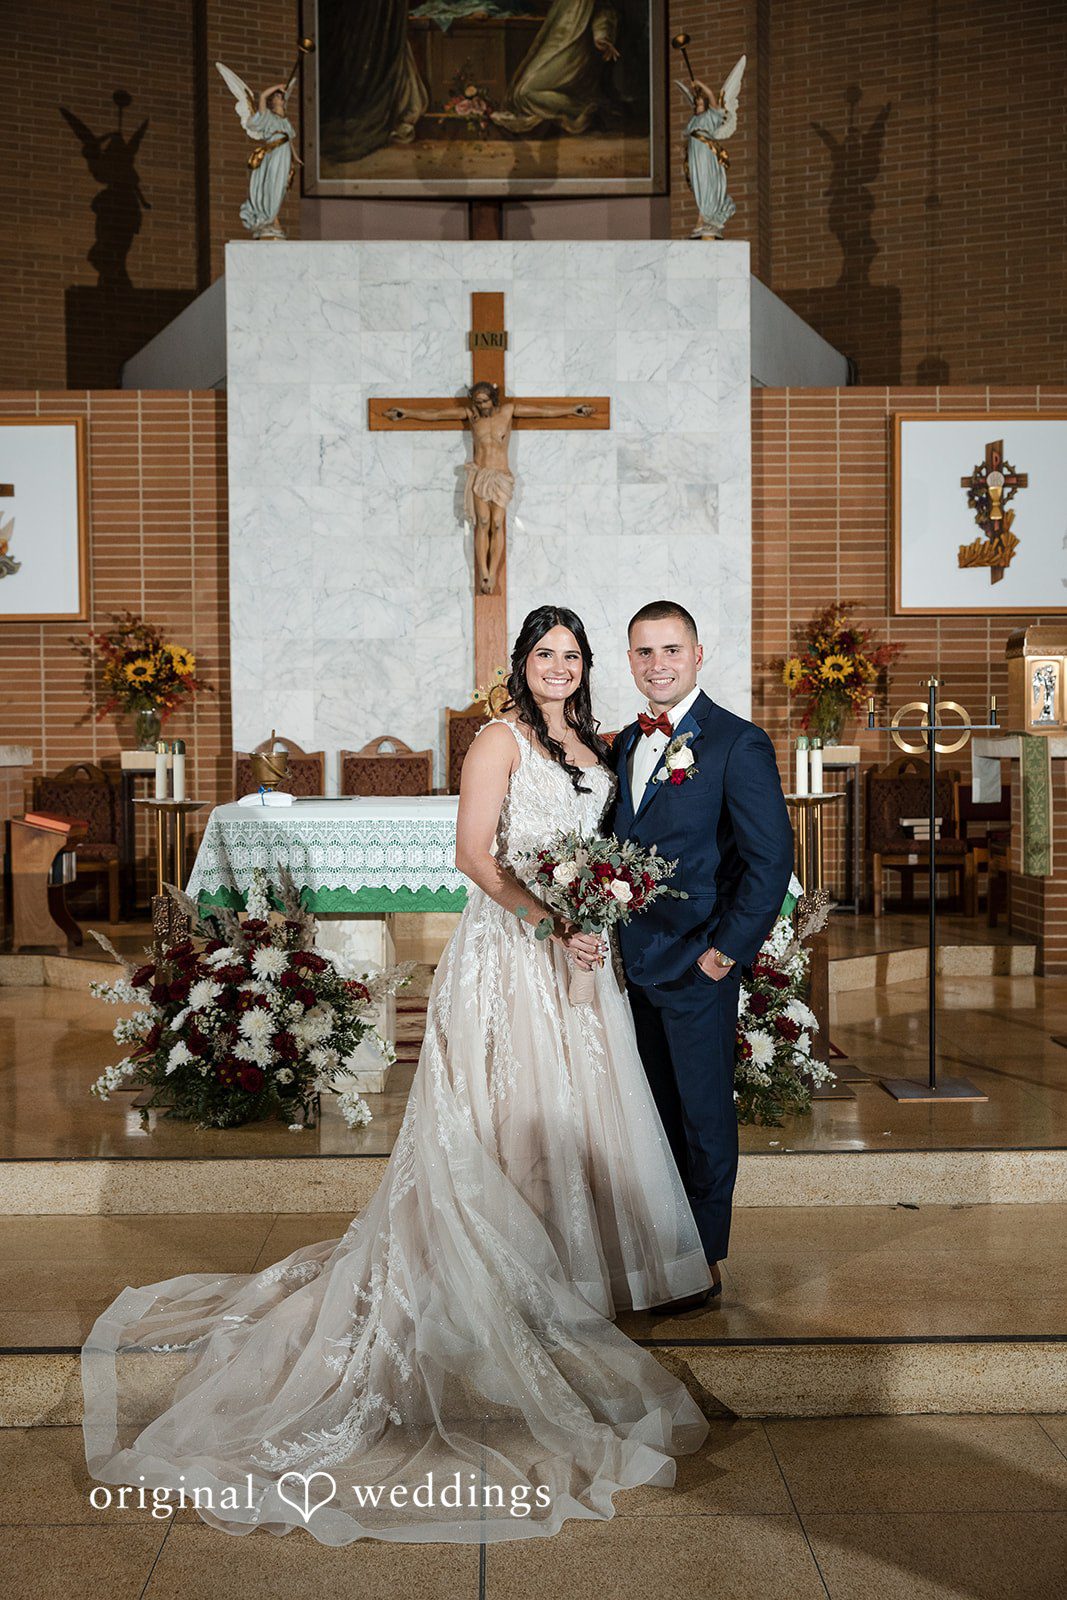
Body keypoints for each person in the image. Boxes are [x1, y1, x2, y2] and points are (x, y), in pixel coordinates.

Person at [81, 605, 711, 1545]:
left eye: (572, 656)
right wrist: (548, 918)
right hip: (510, 951)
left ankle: (569, 1273)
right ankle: (497, 1274)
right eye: (546, 655)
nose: (560, 668)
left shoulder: (598, 742)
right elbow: (471, 855)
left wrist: (596, 912)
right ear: (521, 663)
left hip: (581, 960)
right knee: (505, 1111)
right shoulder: (497, 740)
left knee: (577, 1108)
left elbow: (605, 852)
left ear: (589, 667)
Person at [611, 600, 794, 1307]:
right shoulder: (626, 742)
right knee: (651, 1114)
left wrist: (721, 955)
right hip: (630, 965)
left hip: (695, 964)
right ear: (630, 661)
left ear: (697, 653)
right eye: (643, 652)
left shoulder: (733, 742)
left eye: (670, 650)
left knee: (702, 1116)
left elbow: (769, 862)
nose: (657, 664)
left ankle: (705, 1260)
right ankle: (662, 1249)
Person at [384, 387, 594, 595]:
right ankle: (483, 572)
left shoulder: (508, 411)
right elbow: (436, 415)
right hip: (481, 475)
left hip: (501, 476)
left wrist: (572, 409)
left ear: (493, 400)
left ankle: (492, 573)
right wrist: (406, 413)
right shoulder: (472, 415)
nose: (481, 406)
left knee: (497, 523)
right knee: (483, 522)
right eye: (477, 402)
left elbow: (543, 411)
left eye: (484, 401)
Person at [239, 86, 297, 239]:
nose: (279, 98)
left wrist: (295, 158)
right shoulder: (268, 117)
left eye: (281, 97)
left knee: (280, 185)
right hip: (273, 152)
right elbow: (263, 96)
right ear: (273, 102)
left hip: (284, 154)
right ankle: (268, 218)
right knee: (271, 184)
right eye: (277, 97)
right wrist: (278, 86)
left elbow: (289, 140)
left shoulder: (285, 122)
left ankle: (273, 218)